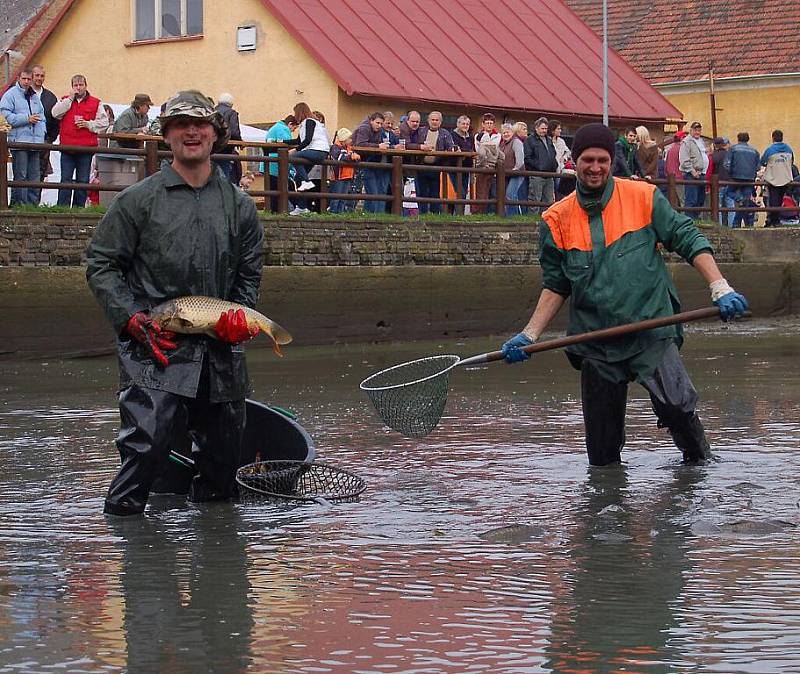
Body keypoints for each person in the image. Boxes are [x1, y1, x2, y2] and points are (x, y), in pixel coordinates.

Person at [499, 123, 748, 466]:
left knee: (676, 406)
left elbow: (688, 239)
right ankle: (607, 504)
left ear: (612, 160)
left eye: (603, 159)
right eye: (588, 159)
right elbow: (557, 284)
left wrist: (720, 287)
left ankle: (700, 467)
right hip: (595, 338)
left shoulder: (642, 197)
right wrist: (529, 334)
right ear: (574, 161)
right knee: (601, 451)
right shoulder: (556, 219)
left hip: (651, 327)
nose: (595, 167)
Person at [85, 90, 264, 516]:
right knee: (145, 451)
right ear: (166, 135)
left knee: (223, 464)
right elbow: (101, 265)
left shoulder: (239, 207)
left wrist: (240, 314)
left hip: (220, 352)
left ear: (216, 135)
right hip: (154, 348)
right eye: (180, 124)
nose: (191, 132)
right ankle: (131, 551)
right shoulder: (138, 200)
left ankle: (218, 567)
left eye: (200, 124)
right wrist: (131, 319)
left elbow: (249, 274)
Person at [51, 74, 108, 208]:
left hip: (85, 148)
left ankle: (78, 209)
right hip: (67, 147)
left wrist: (88, 124)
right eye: (75, 85)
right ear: (72, 87)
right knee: (65, 179)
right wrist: (69, 99)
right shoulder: (65, 100)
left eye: (80, 85)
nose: (78, 88)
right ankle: (62, 209)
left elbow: (104, 122)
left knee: (82, 180)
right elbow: (55, 113)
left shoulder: (96, 102)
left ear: (86, 86)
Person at [0, 67, 46, 205]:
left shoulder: (34, 97)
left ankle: (32, 205)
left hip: (35, 141)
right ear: (18, 78)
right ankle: (19, 204)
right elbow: (6, 116)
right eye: (24, 79)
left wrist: (41, 133)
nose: (26, 82)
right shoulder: (10, 95)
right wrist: (27, 119)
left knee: (34, 176)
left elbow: (42, 117)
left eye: (29, 79)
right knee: (21, 175)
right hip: (19, 141)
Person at [30, 64, 59, 203]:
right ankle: (22, 203)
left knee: (41, 172)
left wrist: (50, 139)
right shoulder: (25, 93)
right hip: (26, 138)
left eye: (42, 76)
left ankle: (35, 203)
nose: (39, 78)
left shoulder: (50, 97)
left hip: (44, 140)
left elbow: (55, 119)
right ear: (32, 76)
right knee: (25, 172)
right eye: (37, 75)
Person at [415, 111, 454, 215]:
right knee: (421, 192)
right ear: (428, 121)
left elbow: (450, 146)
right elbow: (413, 143)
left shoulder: (445, 133)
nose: (434, 122)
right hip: (421, 166)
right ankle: (422, 214)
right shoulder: (420, 131)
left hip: (436, 167)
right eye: (432, 120)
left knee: (435, 192)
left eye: (437, 120)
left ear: (440, 122)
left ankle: (435, 214)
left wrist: (452, 149)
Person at [352, 112, 390, 213]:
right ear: (371, 121)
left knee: (371, 192)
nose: (379, 126)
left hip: (367, 161)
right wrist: (378, 146)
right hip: (357, 161)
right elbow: (360, 144)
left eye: (381, 124)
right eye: (377, 123)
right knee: (364, 191)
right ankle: (367, 213)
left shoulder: (378, 130)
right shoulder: (364, 128)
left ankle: (368, 214)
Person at [724, 132, 760, 228]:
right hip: (749, 179)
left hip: (736, 178)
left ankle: (736, 223)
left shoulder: (733, 149)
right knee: (745, 203)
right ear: (748, 139)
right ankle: (744, 224)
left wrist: (731, 173)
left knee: (728, 192)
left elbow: (726, 164)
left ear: (738, 139)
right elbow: (758, 167)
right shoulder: (754, 151)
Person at [760, 129, 794, 226]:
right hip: (786, 178)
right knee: (780, 200)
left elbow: (762, 162)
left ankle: (774, 220)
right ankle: (777, 220)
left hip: (773, 179)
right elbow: (792, 161)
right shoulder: (789, 149)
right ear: (782, 137)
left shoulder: (770, 150)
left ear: (773, 138)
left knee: (773, 200)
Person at [264, 114, 298, 212]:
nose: (293, 131)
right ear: (290, 124)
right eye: (294, 128)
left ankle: (274, 211)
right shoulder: (283, 129)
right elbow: (287, 145)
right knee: (280, 189)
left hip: (270, 164)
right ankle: (280, 211)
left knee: (273, 190)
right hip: (276, 165)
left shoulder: (276, 127)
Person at [524, 116, 557, 214]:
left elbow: (553, 154)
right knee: (535, 200)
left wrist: (553, 165)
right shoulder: (530, 140)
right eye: (542, 128)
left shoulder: (549, 140)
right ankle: (532, 221)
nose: (544, 131)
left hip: (550, 174)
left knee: (549, 201)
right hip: (537, 174)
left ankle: (546, 222)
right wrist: (538, 166)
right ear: (536, 128)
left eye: (546, 128)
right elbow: (527, 157)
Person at [678, 121, 708, 220]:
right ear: (690, 130)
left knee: (700, 198)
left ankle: (696, 218)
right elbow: (684, 159)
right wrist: (691, 170)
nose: (697, 132)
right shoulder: (687, 142)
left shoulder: (701, 141)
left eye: (699, 130)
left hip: (702, 173)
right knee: (691, 199)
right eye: (695, 130)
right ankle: (690, 220)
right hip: (691, 174)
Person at [473, 113, 501, 214]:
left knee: (493, 192)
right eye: (487, 123)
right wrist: (486, 145)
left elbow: (495, 148)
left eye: (491, 123)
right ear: (483, 124)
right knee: (481, 191)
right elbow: (478, 150)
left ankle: (492, 213)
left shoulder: (498, 135)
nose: (489, 125)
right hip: (482, 165)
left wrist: (485, 145)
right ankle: (480, 212)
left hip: (493, 166)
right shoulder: (477, 136)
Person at [328, 127, 360, 213]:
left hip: (348, 176)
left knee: (343, 197)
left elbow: (351, 157)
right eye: (349, 138)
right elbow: (340, 157)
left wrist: (355, 158)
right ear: (343, 139)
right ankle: (333, 212)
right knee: (336, 197)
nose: (351, 140)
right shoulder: (335, 148)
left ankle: (340, 213)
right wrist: (351, 157)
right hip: (338, 176)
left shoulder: (348, 148)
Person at [213, 93, 242, 184]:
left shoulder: (212, 112)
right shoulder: (231, 113)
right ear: (231, 104)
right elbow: (234, 131)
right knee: (224, 174)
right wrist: (240, 142)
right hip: (225, 148)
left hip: (211, 148)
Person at [498, 122, 525, 216]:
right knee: (507, 196)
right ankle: (514, 215)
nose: (506, 134)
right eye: (504, 132)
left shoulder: (516, 142)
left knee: (510, 194)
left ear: (512, 132)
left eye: (508, 132)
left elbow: (520, 158)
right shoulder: (501, 145)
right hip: (506, 175)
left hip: (516, 174)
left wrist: (516, 168)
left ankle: (512, 217)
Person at [449, 115, 474, 202]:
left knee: (464, 193)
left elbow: (472, 149)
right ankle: (458, 213)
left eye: (467, 124)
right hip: (455, 167)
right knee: (460, 192)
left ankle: (460, 214)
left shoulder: (470, 137)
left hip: (466, 167)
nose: (465, 126)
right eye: (463, 124)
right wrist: (466, 152)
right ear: (458, 124)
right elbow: (455, 148)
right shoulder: (452, 135)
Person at [709, 137, 730, 225]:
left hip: (718, 182)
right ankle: (731, 225)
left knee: (718, 205)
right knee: (730, 206)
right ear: (723, 144)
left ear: (714, 145)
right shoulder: (728, 154)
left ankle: (719, 225)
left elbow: (711, 168)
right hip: (729, 182)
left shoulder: (713, 155)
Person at [664, 131, 686, 206]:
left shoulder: (670, 150)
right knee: (682, 201)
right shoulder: (682, 149)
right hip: (680, 177)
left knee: (673, 201)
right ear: (682, 138)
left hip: (670, 178)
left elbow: (666, 164)